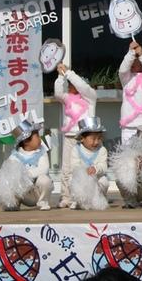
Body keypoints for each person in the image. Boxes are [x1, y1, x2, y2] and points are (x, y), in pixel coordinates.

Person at [53, 63, 96, 209]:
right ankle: (66, 197)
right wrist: (60, 76)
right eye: (70, 84)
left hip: (85, 139)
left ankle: (79, 197)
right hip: (69, 137)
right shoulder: (67, 98)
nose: (72, 87)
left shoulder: (90, 97)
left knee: (82, 168)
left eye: (74, 84)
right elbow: (58, 93)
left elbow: (83, 87)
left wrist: (69, 73)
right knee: (67, 169)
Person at [0, 119, 53, 211]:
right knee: (11, 180)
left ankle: (43, 201)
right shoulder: (15, 156)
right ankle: (14, 202)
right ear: (26, 141)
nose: (40, 138)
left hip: (37, 192)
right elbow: (11, 173)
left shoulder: (41, 152)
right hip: (23, 194)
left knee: (45, 180)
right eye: (37, 136)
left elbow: (44, 169)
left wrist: (26, 175)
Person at [69, 117, 108, 210]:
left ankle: (99, 198)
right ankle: (78, 200)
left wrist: (96, 169)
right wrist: (83, 171)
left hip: (96, 178)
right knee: (71, 180)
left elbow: (103, 166)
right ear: (82, 139)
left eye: (99, 138)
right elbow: (74, 166)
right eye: (93, 139)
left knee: (104, 181)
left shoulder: (102, 150)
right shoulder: (76, 149)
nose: (96, 142)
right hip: (81, 179)